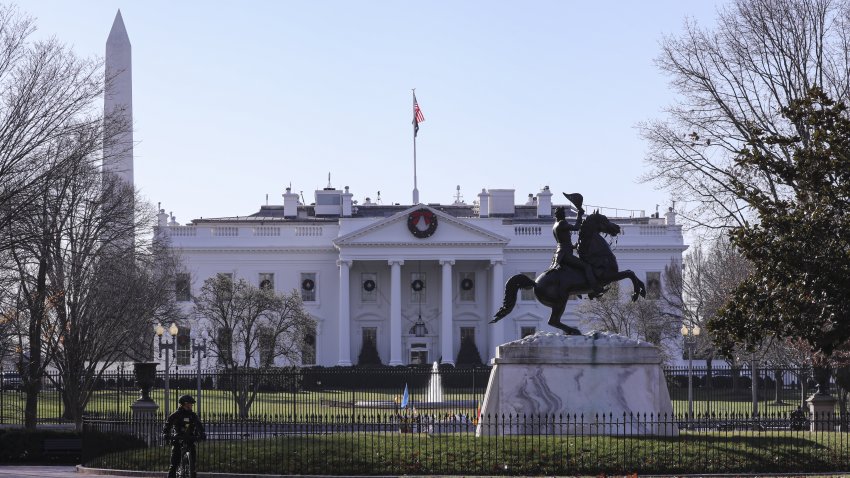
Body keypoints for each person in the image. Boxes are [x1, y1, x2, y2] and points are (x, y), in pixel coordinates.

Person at [551, 193, 604, 298]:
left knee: (578, 268)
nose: (565, 216)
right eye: (564, 214)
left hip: (561, 252)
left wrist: (573, 246)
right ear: (561, 215)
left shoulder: (555, 225)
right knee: (587, 266)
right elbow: (576, 227)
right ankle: (595, 289)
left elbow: (562, 242)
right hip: (565, 254)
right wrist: (579, 215)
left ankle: (579, 289)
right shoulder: (561, 223)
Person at [162, 394, 206, 478]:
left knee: (192, 464)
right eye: (190, 404)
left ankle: (191, 472)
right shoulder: (175, 415)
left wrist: (202, 433)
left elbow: (198, 425)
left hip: (190, 438)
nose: (192, 406)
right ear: (185, 404)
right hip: (178, 438)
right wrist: (166, 434)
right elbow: (168, 425)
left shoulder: (193, 415)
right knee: (174, 464)